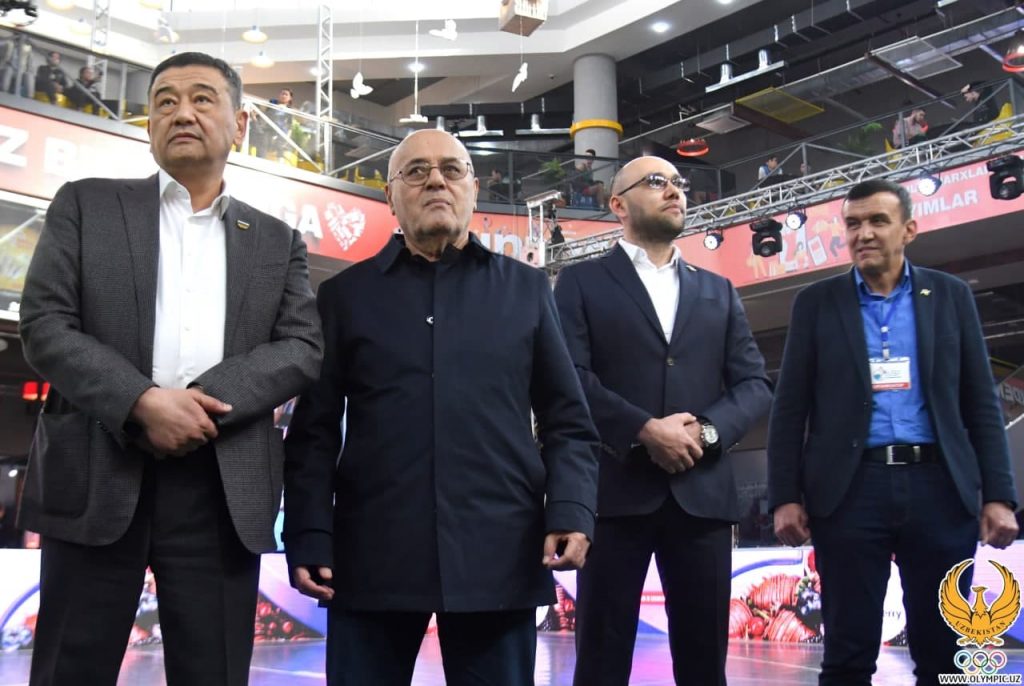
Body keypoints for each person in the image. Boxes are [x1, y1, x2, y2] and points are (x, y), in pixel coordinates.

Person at [17, 51, 323, 686]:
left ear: (240, 124)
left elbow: (301, 347)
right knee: (69, 668)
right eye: (165, 101)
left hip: (221, 487)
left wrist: (201, 402)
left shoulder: (277, 239)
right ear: (150, 123)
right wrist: (141, 402)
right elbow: (45, 324)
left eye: (203, 98)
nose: (182, 112)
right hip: (97, 471)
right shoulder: (86, 205)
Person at [283, 128, 600, 686]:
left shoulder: (527, 290)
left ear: (473, 189)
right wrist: (308, 530)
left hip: (499, 554)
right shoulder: (344, 297)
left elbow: (568, 422)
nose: (435, 180)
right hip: (371, 557)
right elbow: (314, 432)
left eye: (452, 170)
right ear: (390, 195)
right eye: (416, 171)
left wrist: (572, 508)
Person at [768, 178, 1018, 685]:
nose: (863, 233)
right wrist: (784, 497)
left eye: (878, 221)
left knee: (944, 650)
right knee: (847, 653)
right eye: (853, 223)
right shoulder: (816, 302)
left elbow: (981, 403)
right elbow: (790, 409)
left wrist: (999, 495)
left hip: (940, 490)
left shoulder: (949, 296)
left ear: (909, 230)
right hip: (848, 493)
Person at [553, 155, 773, 686]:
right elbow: (570, 378)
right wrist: (644, 430)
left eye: (678, 182)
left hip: (702, 496)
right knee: (601, 663)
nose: (674, 190)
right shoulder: (580, 283)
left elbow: (753, 385)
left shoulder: (718, 289)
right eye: (656, 182)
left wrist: (707, 432)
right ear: (618, 204)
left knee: (704, 667)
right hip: (614, 496)